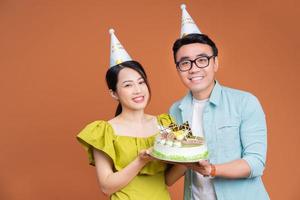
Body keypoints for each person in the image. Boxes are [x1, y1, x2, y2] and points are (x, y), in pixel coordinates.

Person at [165, 5, 269, 200]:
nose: (194, 69)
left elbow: (255, 163)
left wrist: (211, 169)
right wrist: (182, 158)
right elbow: (170, 179)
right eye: (185, 63)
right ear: (178, 68)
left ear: (215, 62)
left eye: (202, 60)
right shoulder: (175, 111)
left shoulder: (245, 102)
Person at [77, 29, 172, 200]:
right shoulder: (104, 132)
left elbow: (168, 180)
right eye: (128, 85)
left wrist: (190, 162)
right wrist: (141, 161)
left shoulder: (165, 123)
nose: (138, 90)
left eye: (141, 82)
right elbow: (106, 187)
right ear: (114, 93)